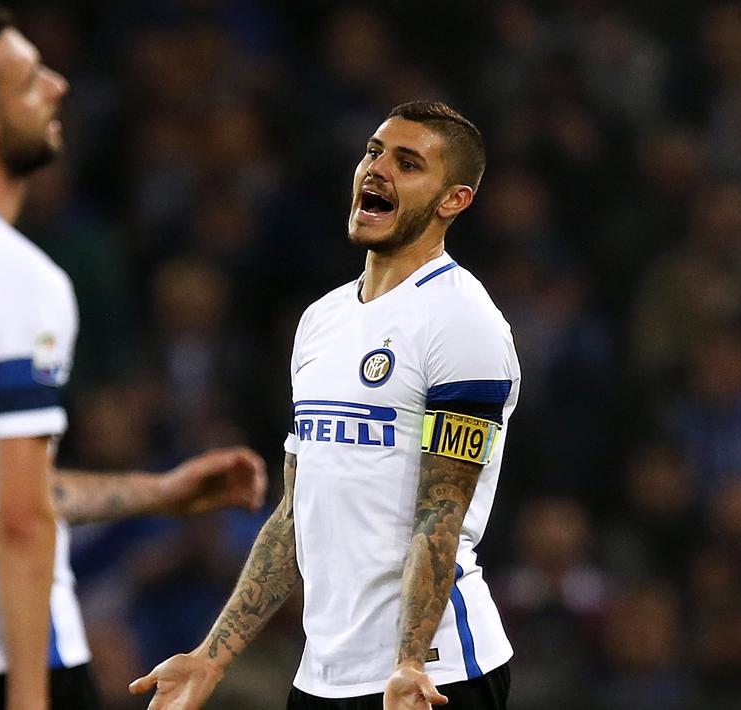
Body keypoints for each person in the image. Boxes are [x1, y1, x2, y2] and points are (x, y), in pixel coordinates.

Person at [0, 8, 267, 710]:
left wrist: (157, 493)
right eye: (30, 80)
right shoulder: (16, 276)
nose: (58, 85)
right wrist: (30, 695)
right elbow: (20, 519)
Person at [131, 101, 519, 710]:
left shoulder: (462, 321)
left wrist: (409, 661)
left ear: (454, 200)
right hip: (321, 677)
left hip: (432, 678)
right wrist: (213, 656)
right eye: (373, 152)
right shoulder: (321, 320)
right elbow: (295, 509)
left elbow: (440, 512)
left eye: (408, 163)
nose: (377, 169)